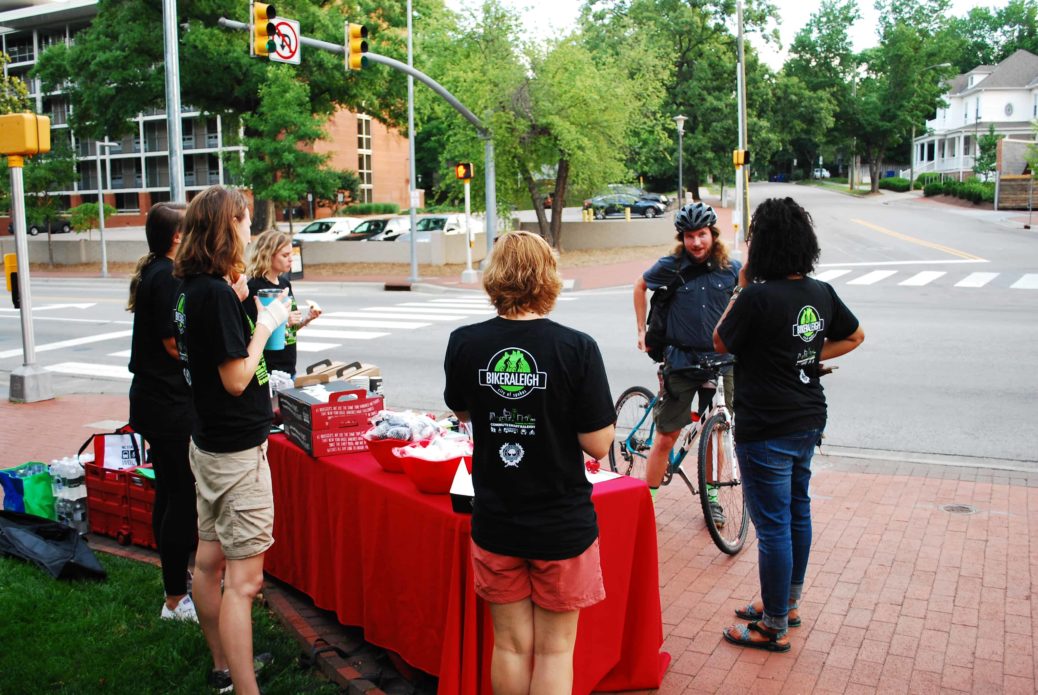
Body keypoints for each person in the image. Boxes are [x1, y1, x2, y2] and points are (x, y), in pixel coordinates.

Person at [443, 231, 616, 695]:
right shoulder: (576, 348)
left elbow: (463, 412)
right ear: (548, 278)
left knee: (511, 646)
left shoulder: (465, 343)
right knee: (555, 650)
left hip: (497, 516)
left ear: (495, 277)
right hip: (560, 521)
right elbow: (599, 444)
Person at [713, 196, 864, 652]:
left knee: (774, 524)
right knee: (797, 511)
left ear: (766, 245)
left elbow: (720, 341)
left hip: (766, 425)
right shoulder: (819, 292)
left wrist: (739, 284)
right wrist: (807, 356)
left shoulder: (757, 296)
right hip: (806, 418)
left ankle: (773, 623)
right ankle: (787, 603)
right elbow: (854, 335)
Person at [173, 186, 290, 694]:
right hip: (236, 454)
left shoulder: (196, 288)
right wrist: (264, 325)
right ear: (227, 227)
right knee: (244, 584)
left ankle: (224, 665)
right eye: (244, 220)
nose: (249, 229)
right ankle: (245, 689)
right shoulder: (213, 294)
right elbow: (237, 378)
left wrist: (241, 300)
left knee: (207, 562)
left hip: (209, 443)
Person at [633, 201, 741, 519]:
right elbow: (640, 286)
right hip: (681, 361)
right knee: (667, 435)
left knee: (715, 433)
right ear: (682, 238)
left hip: (721, 364)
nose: (696, 242)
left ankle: (712, 498)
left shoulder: (732, 269)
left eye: (702, 234)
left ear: (713, 234)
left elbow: (746, 305)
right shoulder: (672, 265)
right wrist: (641, 330)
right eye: (689, 236)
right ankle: (645, 503)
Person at [127, 202, 198, 622]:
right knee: (181, 497)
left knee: (169, 493)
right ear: (176, 238)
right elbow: (174, 344)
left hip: (154, 402)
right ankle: (175, 598)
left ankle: (174, 586)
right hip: (168, 406)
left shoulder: (157, 272)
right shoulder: (167, 278)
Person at [244, 230, 321, 378]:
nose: (290, 259)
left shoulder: (285, 283)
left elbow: (289, 330)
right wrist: (285, 321)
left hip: (289, 367)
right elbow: (252, 332)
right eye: (285, 255)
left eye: (291, 254)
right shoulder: (254, 287)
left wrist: (306, 320)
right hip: (268, 369)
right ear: (267, 255)